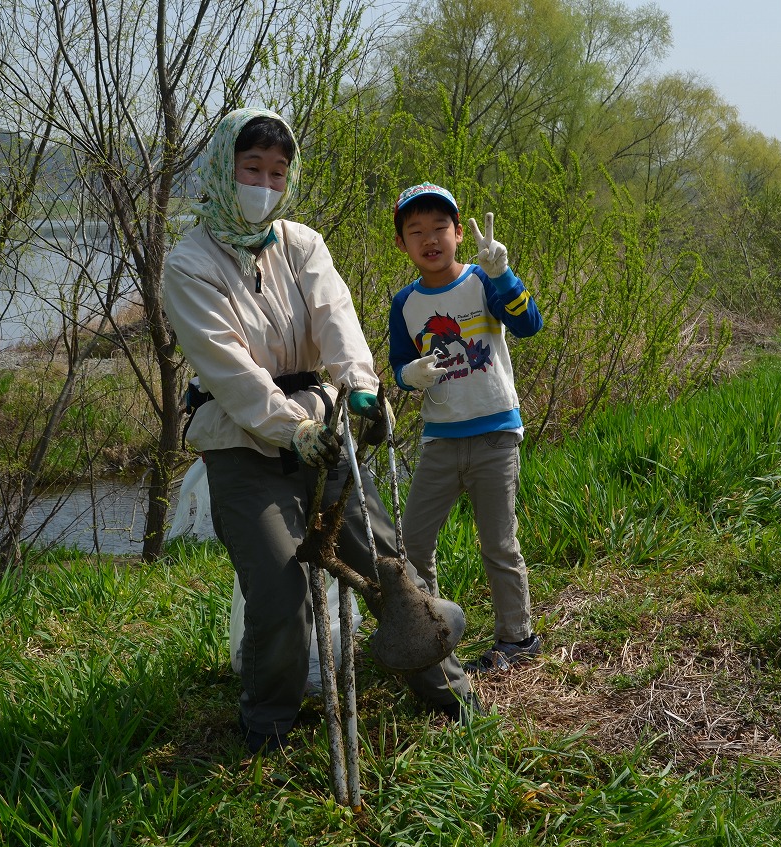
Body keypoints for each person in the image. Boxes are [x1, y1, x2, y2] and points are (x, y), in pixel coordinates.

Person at [162, 111, 476, 754]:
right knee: (278, 583)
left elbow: (336, 318)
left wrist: (360, 384)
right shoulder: (188, 262)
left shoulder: (302, 243)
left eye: (278, 173)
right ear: (225, 168)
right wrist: (290, 427)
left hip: (326, 429)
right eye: (252, 169)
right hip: (242, 442)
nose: (265, 184)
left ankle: (443, 685)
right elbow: (229, 368)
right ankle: (268, 723)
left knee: (386, 558)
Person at [388, 182, 545, 673]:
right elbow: (398, 364)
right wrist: (407, 376)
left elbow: (528, 326)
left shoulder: (482, 282)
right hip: (439, 439)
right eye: (416, 231)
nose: (429, 239)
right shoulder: (405, 304)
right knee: (411, 543)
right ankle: (431, 632)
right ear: (402, 245)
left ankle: (517, 638)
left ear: (459, 233)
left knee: (498, 541)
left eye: (439, 228)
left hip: (496, 433)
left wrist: (506, 277)